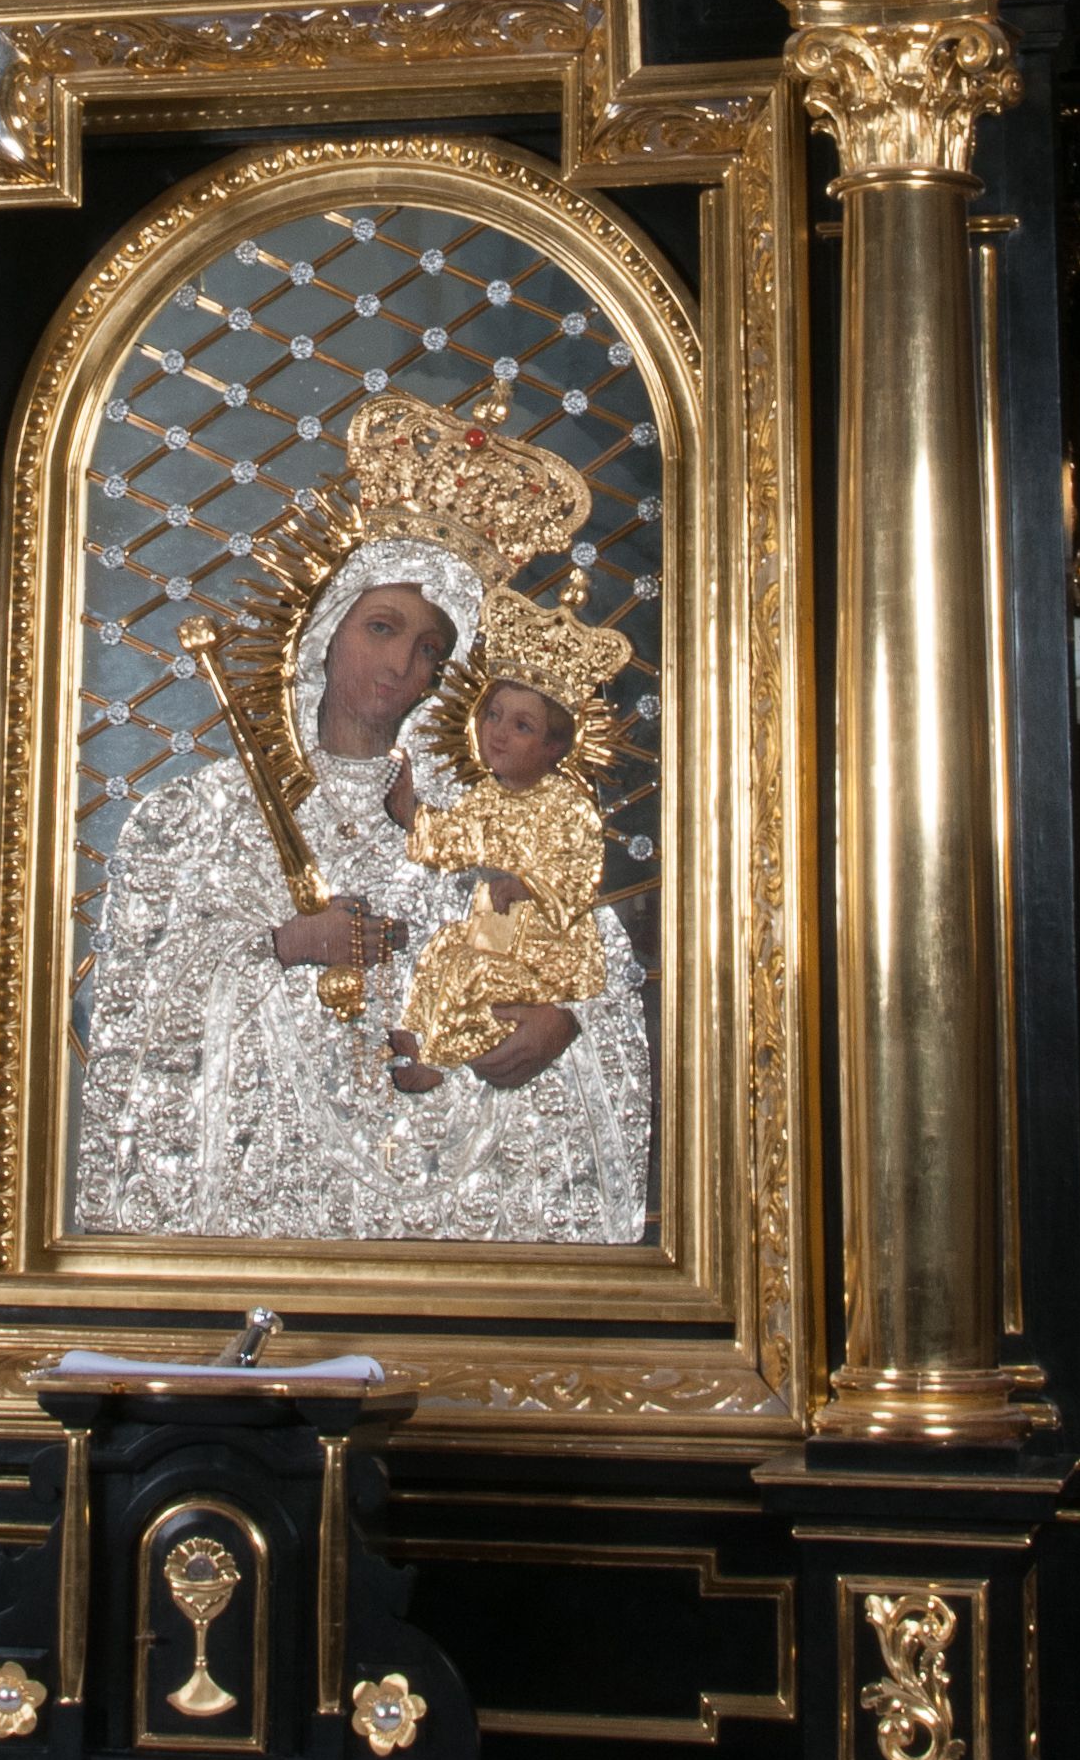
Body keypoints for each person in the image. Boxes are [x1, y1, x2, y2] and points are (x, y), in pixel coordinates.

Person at [71, 530, 651, 1245]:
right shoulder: (204, 815)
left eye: (431, 649)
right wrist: (287, 944)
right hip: (270, 1188)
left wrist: (563, 1022)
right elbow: (146, 991)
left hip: (463, 1207)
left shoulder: (489, 817)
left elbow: (584, 948)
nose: (403, 664)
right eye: (382, 628)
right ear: (326, 631)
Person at [391, 661, 609, 1082]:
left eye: (522, 726)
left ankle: (437, 1062)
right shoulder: (485, 798)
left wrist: (527, 886)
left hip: (544, 954)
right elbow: (453, 840)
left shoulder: (569, 809)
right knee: (442, 950)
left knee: (470, 972)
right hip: (489, 932)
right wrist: (411, 814)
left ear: (555, 747)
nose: (499, 733)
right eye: (494, 715)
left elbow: (578, 872)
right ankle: (417, 1034)